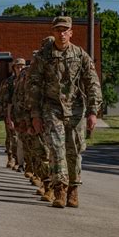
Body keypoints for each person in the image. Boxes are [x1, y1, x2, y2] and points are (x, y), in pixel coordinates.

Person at [26, 16, 102, 208]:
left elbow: (92, 83)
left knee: (74, 151)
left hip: (76, 109)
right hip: (51, 108)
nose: (61, 33)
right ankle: (60, 190)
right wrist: (35, 114)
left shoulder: (80, 55)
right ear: (53, 32)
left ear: (71, 32)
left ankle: (73, 189)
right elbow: (33, 85)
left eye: (65, 30)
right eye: (58, 30)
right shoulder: (43, 56)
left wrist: (93, 112)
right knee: (56, 148)